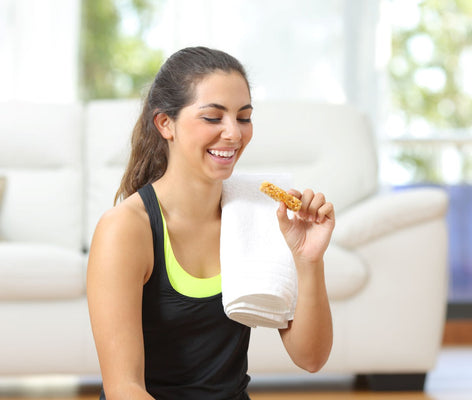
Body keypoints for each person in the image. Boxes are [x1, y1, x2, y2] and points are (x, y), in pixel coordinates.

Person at [86, 46, 334, 400]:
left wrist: (309, 260)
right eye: (213, 117)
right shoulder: (126, 229)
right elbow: (124, 388)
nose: (234, 134)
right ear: (165, 123)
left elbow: (310, 358)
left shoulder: (256, 212)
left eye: (244, 117)